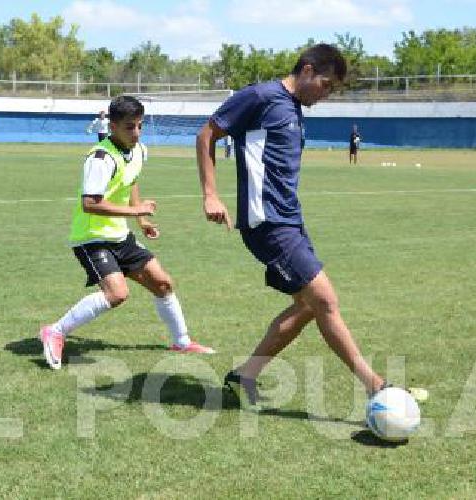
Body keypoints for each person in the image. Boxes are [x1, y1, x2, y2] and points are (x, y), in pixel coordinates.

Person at [194, 44, 391, 409]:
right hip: (267, 224)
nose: (326, 93)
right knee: (326, 301)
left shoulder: (294, 110)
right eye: (326, 84)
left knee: (306, 307)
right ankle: (377, 386)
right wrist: (211, 194)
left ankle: (245, 376)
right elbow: (207, 134)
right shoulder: (260, 97)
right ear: (307, 70)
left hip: (291, 222)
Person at [39, 96, 215, 370]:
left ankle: (182, 341)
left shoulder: (140, 151)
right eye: (129, 127)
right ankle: (56, 331)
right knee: (117, 294)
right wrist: (134, 212)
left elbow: (131, 182)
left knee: (163, 284)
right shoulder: (100, 158)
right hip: (92, 238)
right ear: (112, 126)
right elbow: (90, 204)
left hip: (120, 236)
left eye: (139, 126)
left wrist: (141, 219)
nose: (136, 133)